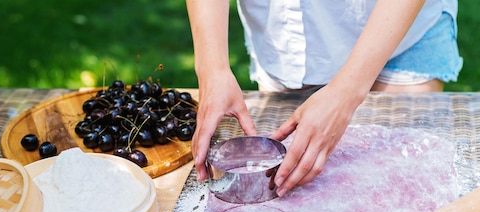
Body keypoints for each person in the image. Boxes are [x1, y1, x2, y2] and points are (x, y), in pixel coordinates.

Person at [186, 0, 462, 197]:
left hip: (398, 29)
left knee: (403, 189)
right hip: (283, 37)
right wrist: (212, 68)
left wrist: (346, 93)